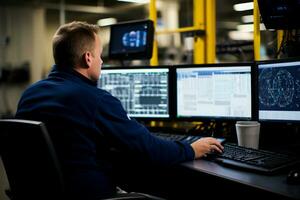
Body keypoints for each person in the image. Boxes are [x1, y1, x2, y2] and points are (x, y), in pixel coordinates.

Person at [15, 21, 223, 200]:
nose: (102, 61)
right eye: (99, 55)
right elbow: (147, 149)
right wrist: (192, 149)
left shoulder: (31, 93)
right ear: (88, 58)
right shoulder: (95, 100)